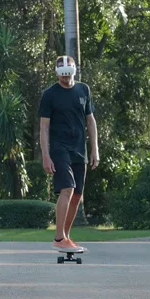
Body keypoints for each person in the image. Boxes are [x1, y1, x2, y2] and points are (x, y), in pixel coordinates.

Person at [39, 55, 99, 251]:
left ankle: (66, 237)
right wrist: (46, 156)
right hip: (59, 148)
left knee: (77, 194)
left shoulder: (84, 90)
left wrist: (95, 150)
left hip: (79, 149)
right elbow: (44, 128)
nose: (65, 79)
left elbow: (90, 121)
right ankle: (58, 238)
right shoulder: (49, 94)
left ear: (74, 72)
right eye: (62, 76)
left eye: (68, 75)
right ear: (57, 74)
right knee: (67, 188)